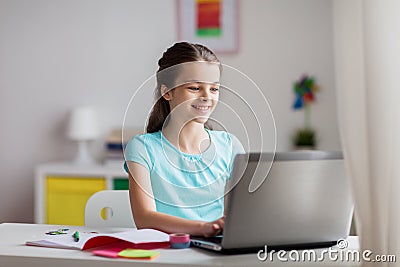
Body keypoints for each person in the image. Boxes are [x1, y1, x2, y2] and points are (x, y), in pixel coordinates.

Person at [124, 42, 244, 237]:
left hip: (217, 254)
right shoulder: (142, 149)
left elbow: (238, 215)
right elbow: (144, 219)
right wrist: (203, 228)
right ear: (167, 92)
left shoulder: (230, 146)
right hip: (166, 253)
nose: (207, 97)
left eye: (214, 89)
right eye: (195, 88)